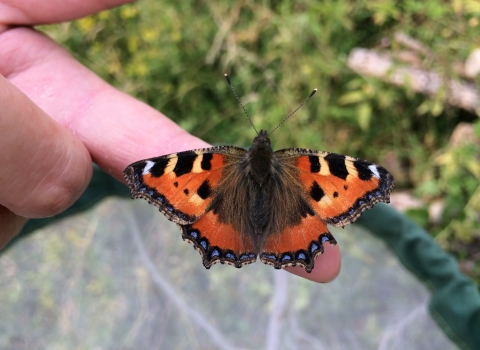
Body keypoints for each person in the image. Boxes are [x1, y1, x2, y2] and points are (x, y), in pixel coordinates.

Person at [0, 0, 341, 283]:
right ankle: (272, 242)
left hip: (231, 216)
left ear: (253, 150)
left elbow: (167, 176)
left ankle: (254, 242)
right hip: (276, 218)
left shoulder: (214, 163)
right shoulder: (307, 166)